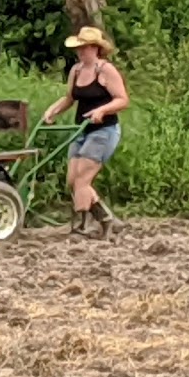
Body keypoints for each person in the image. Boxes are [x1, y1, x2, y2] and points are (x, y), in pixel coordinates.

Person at [42, 26, 129, 239]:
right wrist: (53, 110)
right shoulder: (76, 71)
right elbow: (69, 98)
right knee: (73, 179)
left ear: (95, 48)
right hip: (80, 129)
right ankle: (106, 218)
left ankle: (82, 226)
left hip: (104, 130)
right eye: (79, 48)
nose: (80, 51)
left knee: (82, 179)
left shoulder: (106, 70)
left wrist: (102, 110)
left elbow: (122, 99)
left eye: (84, 47)